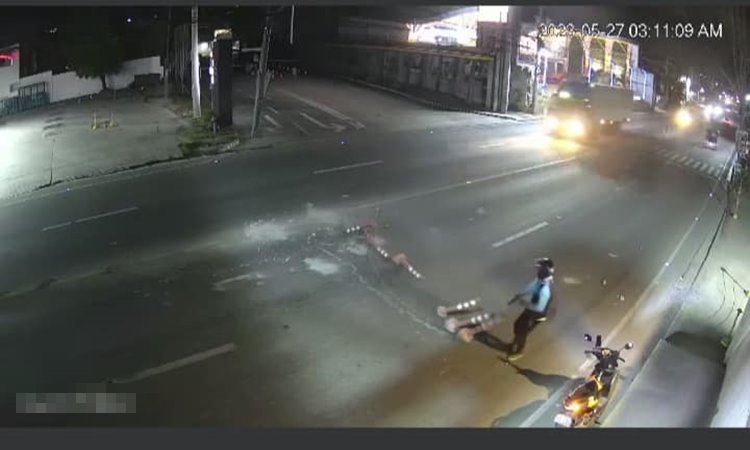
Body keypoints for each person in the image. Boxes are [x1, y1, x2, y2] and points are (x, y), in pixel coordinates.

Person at [506, 258, 555, 361]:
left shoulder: (545, 289)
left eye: (540, 267)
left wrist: (522, 302)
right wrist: (517, 297)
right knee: (518, 326)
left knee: (522, 330)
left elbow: (537, 306)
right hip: (533, 309)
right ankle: (516, 342)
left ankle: (519, 351)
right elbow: (530, 288)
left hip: (537, 313)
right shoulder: (541, 280)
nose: (537, 269)